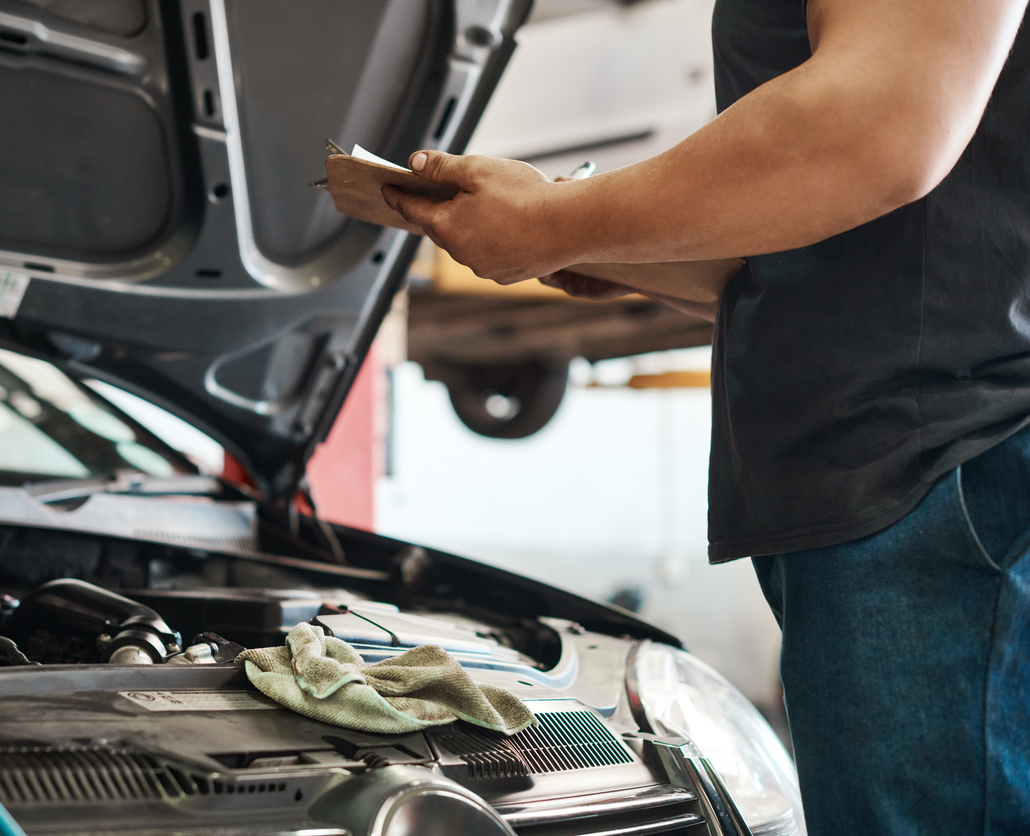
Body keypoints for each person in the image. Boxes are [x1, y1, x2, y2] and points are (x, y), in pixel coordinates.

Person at [381, 0, 1030, 832]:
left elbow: (880, 123)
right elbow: (844, 243)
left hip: (940, 478)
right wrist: (597, 241)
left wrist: (557, 221)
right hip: (911, 486)